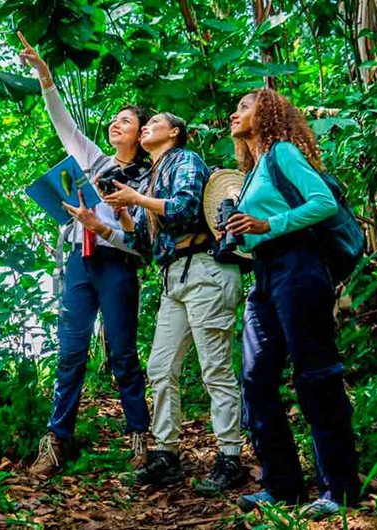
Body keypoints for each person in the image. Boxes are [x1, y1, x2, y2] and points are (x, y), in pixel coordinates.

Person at [18, 32, 151, 477]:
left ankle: (140, 437)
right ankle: (57, 440)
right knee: (70, 351)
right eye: (114, 119)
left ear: (142, 135)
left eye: (127, 122)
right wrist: (45, 77)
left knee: (124, 355)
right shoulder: (94, 159)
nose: (117, 124)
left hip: (116, 265)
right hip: (78, 262)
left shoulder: (148, 181)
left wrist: (104, 227)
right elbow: (64, 126)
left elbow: (141, 242)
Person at [225, 88, 361, 519]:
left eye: (245, 106)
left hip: (299, 266)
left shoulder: (282, 152)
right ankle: (282, 486)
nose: (235, 112)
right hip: (265, 274)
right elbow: (255, 232)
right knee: (255, 376)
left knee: (315, 373)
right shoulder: (251, 170)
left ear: (266, 113)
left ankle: (339, 488)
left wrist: (269, 222)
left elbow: (321, 202)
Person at [104, 113, 244, 495]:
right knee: (161, 368)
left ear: (174, 132)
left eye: (154, 123)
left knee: (215, 368)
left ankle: (230, 456)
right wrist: (114, 218)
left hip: (204, 270)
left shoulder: (185, 161)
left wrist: (137, 199)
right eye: (143, 124)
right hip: (173, 279)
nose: (145, 127)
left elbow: (183, 208)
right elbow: (145, 248)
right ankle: (166, 454)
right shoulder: (152, 175)